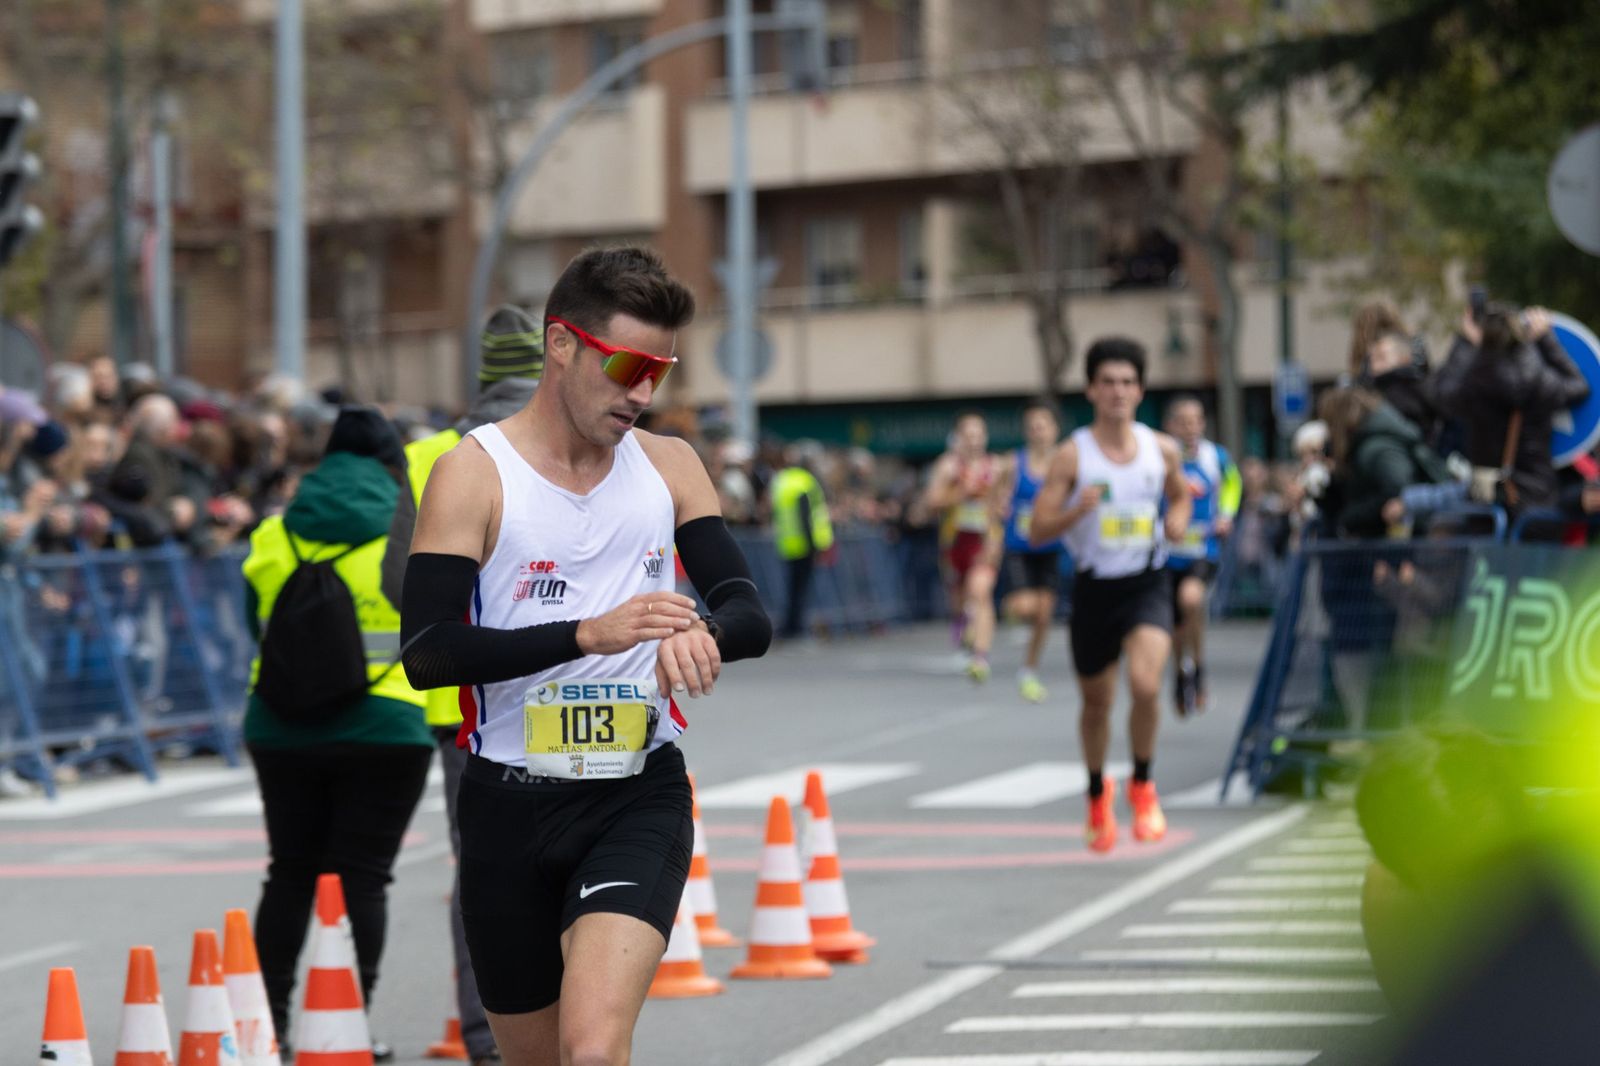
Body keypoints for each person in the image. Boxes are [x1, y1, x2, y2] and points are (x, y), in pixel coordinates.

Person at [399, 246, 771, 1066]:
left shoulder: (670, 465)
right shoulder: (474, 474)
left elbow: (749, 611)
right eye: (628, 367)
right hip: (505, 807)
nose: (643, 393)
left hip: (636, 795)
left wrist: (702, 633)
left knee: (594, 1050)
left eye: (660, 372)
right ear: (562, 344)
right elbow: (427, 653)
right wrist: (583, 635)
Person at [379, 305, 545, 1066]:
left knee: (483, 868)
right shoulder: (578, 445)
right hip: (581, 687)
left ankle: (490, 1039)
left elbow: (397, 584)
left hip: (466, 707)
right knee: (586, 859)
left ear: (479, 378)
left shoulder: (429, 457)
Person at [241, 406, 430, 1056]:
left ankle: (268, 1026)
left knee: (290, 873)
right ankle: (346, 1025)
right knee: (364, 879)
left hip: (280, 725)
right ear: (389, 466)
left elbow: (253, 623)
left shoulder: (273, 533)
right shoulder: (406, 533)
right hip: (386, 726)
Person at [1029, 338, 1190, 853]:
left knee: (1145, 685)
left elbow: (1181, 494)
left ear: (1139, 391)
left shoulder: (1161, 449)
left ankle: (1143, 784)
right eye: (1108, 382)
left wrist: (1177, 519)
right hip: (1094, 587)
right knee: (1097, 703)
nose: (1118, 391)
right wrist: (1076, 511)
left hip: (1147, 583)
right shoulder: (1072, 455)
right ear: (1091, 390)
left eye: (1127, 382)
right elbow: (1036, 529)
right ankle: (1098, 792)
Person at [1433, 302, 1591, 513]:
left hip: (1486, 501)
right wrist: (1546, 339)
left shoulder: (1476, 380)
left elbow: (1441, 394)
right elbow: (1579, 387)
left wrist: (1465, 342)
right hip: (1534, 499)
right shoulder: (1536, 378)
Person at [1162, 396, 1240, 717]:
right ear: (1171, 425)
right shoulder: (1162, 455)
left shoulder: (1215, 456)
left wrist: (1225, 515)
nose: (1190, 428)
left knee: (1191, 599)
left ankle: (1198, 666)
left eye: (1196, 421)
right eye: (1183, 421)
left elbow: (1233, 484)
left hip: (1203, 548)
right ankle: (1180, 672)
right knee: (1175, 623)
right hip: (1167, 552)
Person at [994, 398, 1065, 703]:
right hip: (1019, 546)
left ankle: (1029, 669)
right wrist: (999, 509)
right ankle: (1002, 612)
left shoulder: (1064, 463)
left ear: (1054, 429)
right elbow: (994, 498)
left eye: (1043, 426)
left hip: (1051, 546)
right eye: (1032, 427)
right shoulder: (1013, 463)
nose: (1038, 432)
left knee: (1044, 615)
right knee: (1026, 608)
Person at [921, 412, 1001, 681]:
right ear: (958, 438)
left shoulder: (995, 467)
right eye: (968, 436)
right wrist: (959, 494)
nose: (974, 441)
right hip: (955, 543)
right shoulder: (948, 466)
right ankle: (962, 623)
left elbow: (1002, 505)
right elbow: (931, 502)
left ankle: (980, 657)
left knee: (980, 593)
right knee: (959, 600)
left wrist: (996, 534)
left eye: (978, 435)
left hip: (983, 543)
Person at [770, 441, 835, 640]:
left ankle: (791, 626)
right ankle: (796, 627)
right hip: (805, 544)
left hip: (787, 544)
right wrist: (813, 544)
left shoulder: (782, 480)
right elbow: (805, 515)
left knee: (792, 589)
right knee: (802, 590)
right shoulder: (804, 481)